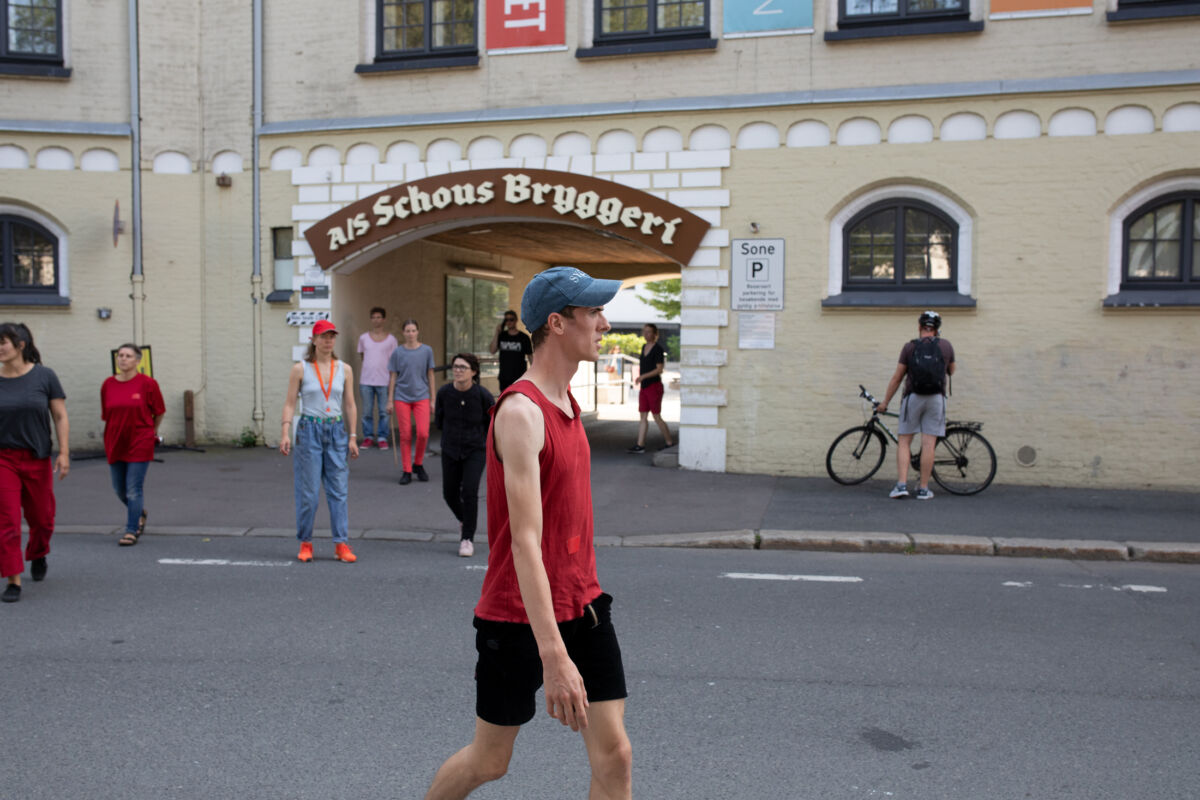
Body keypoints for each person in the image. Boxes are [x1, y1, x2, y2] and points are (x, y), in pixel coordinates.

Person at [423, 267, 631, 800]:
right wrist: (554, 655)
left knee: (615, 756)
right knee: (490, 762)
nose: (604, 324)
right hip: (519, 619)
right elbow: (523, 542)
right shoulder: (520, 411)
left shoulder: (566, 402)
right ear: (558, 324)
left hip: (583, 604)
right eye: (594, 313)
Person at [279, 319, 360, 563]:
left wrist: (353, 436)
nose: (328, 341)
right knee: (309, 492)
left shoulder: (344, 368)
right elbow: (291, 402)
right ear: (313, 340)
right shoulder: (300, 368)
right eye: (323, 336)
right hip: (309, 430)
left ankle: (341, 543)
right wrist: (285, 431)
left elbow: (349, 403)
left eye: (331, 336)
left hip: (335, 430)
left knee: (339, 490)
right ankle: (306, 542)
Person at [0, 322, 69, 603]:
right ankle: (13, 579)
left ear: (20, 346)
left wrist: (64, 452)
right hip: (3, 459)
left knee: (42, 519)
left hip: (37, 458)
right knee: (8, 521)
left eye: (2, 342)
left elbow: (60, 416)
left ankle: (38, 552)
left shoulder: (44, 376)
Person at [877, 310, 956, 501]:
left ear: (920, 327)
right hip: (936, 398)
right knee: (928, 444)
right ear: (937, 329)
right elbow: (951, 371)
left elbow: (897, 377)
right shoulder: (946, 346)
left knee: (904, 441)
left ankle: (901, 486)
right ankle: (923, 489)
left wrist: (885, 402)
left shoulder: (909, 347)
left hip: (912, 397)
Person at [101, 343, 166, 547]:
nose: (123, 359)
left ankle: (131, 529)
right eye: (120, 355)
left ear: (138, 361)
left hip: (139, 440)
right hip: (115, 441)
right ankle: (138, 512)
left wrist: (151, 431)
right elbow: (107, 414)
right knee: (119, 489)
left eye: (128, 356)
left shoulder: (148, 384)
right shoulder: (108, 384)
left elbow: (159, 411)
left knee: (133, 489)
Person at [434, 352, 495, 558]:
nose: (458, 371)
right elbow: (439, 421)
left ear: (474, 372)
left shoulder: (482, 395)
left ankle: (467, 538)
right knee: (449, 492)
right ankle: (465, 520)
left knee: (469, 491)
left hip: (475, 450)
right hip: (450, 448)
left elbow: (492, 423)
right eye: (456, 367)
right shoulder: (444, 393)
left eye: (463, 367)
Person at [388, 318, 435, 485]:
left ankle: (418, 463)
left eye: (413, 330)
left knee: (423, 433)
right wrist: (390, 400)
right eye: (407, 331)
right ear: (403, 333)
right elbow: (393, 375)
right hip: (402, 397)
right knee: (405, 434)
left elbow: (430, 374)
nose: (410, 334)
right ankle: (407, 469)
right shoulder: (398, 352)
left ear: (417, 332)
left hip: (422, 395)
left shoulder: (427, 351)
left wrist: (433, 399)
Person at [627, 323, 674, 454]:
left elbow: (659, 369)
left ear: (655, 334)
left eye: (649, 332)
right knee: (642, 416)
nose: (646, 334)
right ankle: (640, 444)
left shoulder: (658, 349)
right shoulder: (643, 347)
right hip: (644, 387)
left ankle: (669, 442)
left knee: (657, 416)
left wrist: (643, 376)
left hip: (654, 386)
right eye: (644, 332)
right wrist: (641, 378)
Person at [357, 306, 397, 450]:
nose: (376, 320)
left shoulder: (391, 340)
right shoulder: (363, 338)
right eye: (373, 317)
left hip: (384, 381)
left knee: (383, 411)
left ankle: (382, 437)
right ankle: (368, 437)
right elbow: (363, 356)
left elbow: (394, 361)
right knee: (367, 411)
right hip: (366, 380)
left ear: (384, 319)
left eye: (379, 317)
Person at [488, 309, 532, 392]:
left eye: (511, 319)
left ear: (516, 320)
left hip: (519, 376)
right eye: (506, 320)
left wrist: (533, 374)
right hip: (504, 376)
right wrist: (497, 333)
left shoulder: (524, 337)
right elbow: (492, 351)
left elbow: (530, 356)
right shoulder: (502, 336)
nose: (509, 322)